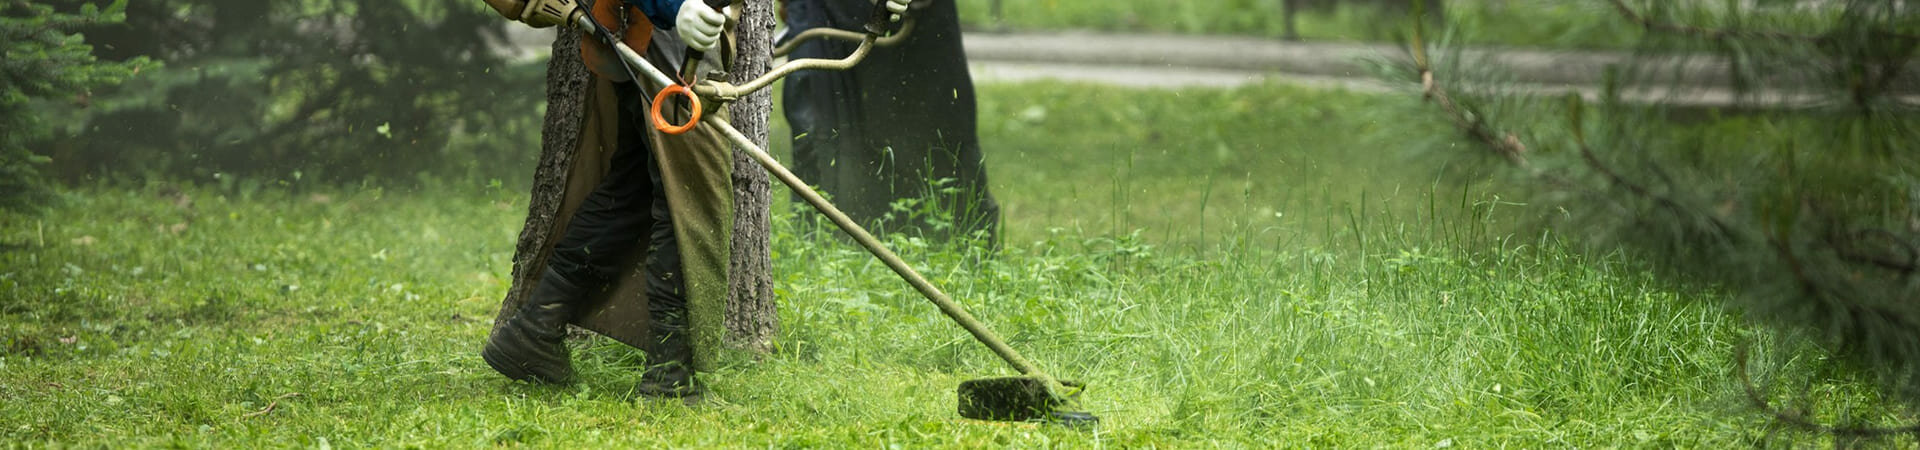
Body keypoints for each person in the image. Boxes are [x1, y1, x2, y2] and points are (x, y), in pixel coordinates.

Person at [475, 0, 908, 399]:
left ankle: (537, 326)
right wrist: (672, 4)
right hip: (666, 35)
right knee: (688, 195)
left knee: (634, 190)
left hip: (665, 31)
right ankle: (669, 369)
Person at [779, 0, 1000, 245]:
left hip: (920, 18)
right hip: (820, 10)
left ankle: (952, 242)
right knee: (820, 134)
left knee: (936, 136)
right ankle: (823, 248)